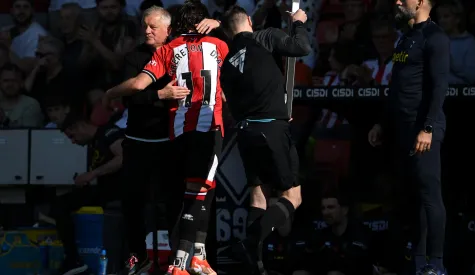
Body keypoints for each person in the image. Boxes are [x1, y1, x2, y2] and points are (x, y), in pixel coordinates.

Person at [104, 1, 228, 274]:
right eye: (144, 26)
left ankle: (179, 259)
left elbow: (137, 86)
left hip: (172, 140)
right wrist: (159, 95)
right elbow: (132, 95)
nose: (147, 31)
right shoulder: (135, 57)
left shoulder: (172, 52)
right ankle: (139, 256)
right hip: (140, 140)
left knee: (176, 201)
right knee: (134, 201)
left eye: (153, 27)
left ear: (169, 29)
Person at [219, 5, 310, 275]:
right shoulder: (265, 36)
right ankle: (250, 242)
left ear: (227, 32)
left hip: (245, 132)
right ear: (248, 20)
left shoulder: (228, 62)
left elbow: (233, 106)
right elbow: (301, 47)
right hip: (271, 128)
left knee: (258, 197)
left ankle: (255, 265)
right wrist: (299, 23)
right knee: (293, 196)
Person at [367, 0, 449, 274]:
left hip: (423, 129)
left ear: (423, 2)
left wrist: (427, 128)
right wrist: (381, 123)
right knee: (407, 197)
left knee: (429, 195)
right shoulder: (405, 38)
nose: (398, 1)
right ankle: (417, 261)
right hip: (400, 130)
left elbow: (439, 87)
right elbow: (396, 86)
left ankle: (436, 264)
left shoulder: (434, 37)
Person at [50, 110, 124, 275]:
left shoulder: (108, 133)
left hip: (119, 192)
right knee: (59, 204)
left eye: (72, 136)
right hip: (104, 190)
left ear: (79, 126)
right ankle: (73, 259)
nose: (73, 141)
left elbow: (123, 156)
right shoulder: (93, 143)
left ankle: (74, 260)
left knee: (61, 205)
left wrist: (93, 174)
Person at [292, 193, 372, 275]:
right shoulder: (321, 235)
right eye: (323, 208)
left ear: (344, 210)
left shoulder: (361, 233)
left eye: (331, 207)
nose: (326, 212)